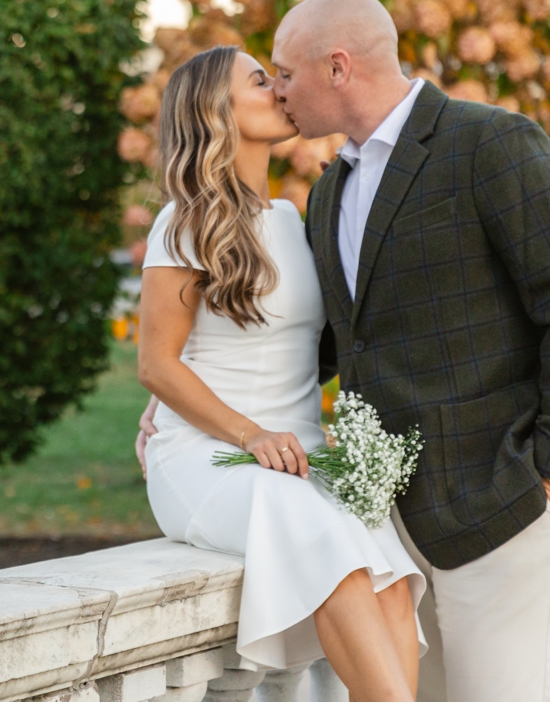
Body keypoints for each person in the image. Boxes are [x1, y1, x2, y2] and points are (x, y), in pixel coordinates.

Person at [263, 0, 550, 701]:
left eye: (284, 72)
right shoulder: (329, 190)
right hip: (384, 527)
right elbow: (334, 342)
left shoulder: (491, 144)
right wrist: (195, 401)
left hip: (500, 504)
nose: (276, 91)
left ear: (337, 68)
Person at [136, 43, 425, 702]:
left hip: (300, 456)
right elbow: (157, 362)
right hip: (212, 459)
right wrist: (247, 434)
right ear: (217, 112)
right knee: (331, 543)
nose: (281, 90)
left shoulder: (296, 218)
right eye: (261, 81)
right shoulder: (181, 225)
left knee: (391, 573)